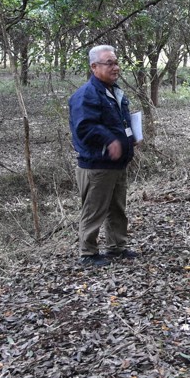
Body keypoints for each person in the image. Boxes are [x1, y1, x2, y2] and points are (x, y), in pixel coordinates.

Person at [69, 44, 138, 267]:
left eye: (116, 62)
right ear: (94, 66)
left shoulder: (115, 91)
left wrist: (131, 137)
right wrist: (110, 140)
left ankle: (117, 246)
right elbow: (85, 128)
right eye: (109, 63)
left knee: (117, 208)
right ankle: (88, 253)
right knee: (94, 210)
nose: (115, 67)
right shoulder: (86, 95)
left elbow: (119, 122)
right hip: (96, 165)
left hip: (117, 164)